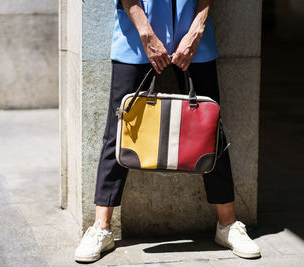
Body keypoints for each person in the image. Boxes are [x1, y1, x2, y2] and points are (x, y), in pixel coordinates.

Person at [74, 0, 261, 263]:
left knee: (210, 129)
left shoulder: (196, 34)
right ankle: (101, 228)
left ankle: (227, 224)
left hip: (194, 37)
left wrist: (197, 30)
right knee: (121, 127)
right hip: (136, 37)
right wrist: (146, 33)